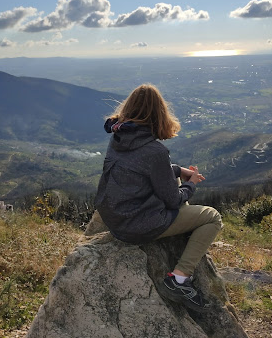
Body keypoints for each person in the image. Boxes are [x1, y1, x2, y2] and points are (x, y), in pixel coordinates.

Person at [94, 84, 223, 310]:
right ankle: (179, 279)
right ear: (159, 114)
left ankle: (181, 237)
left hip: (116, 221)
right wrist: (191, 184)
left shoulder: (118, 138)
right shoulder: (154, 151)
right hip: (138, 226)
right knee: (212, 217)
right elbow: (173, 199)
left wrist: (176, 170)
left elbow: (141, 169)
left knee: (174, 185)